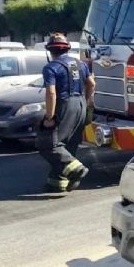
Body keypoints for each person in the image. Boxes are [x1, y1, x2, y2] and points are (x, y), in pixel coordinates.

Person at [38, 33, 95, 192]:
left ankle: (77, 169)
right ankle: (57, 182)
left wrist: (49, 117)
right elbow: (91, 83)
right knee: (70, 143)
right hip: (81, 104)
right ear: (67, 49)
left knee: (48, 144)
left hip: (65, 105)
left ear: (50, 51)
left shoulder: (51, 67)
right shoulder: (80, 64)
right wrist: (86, 101)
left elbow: (51, 93)